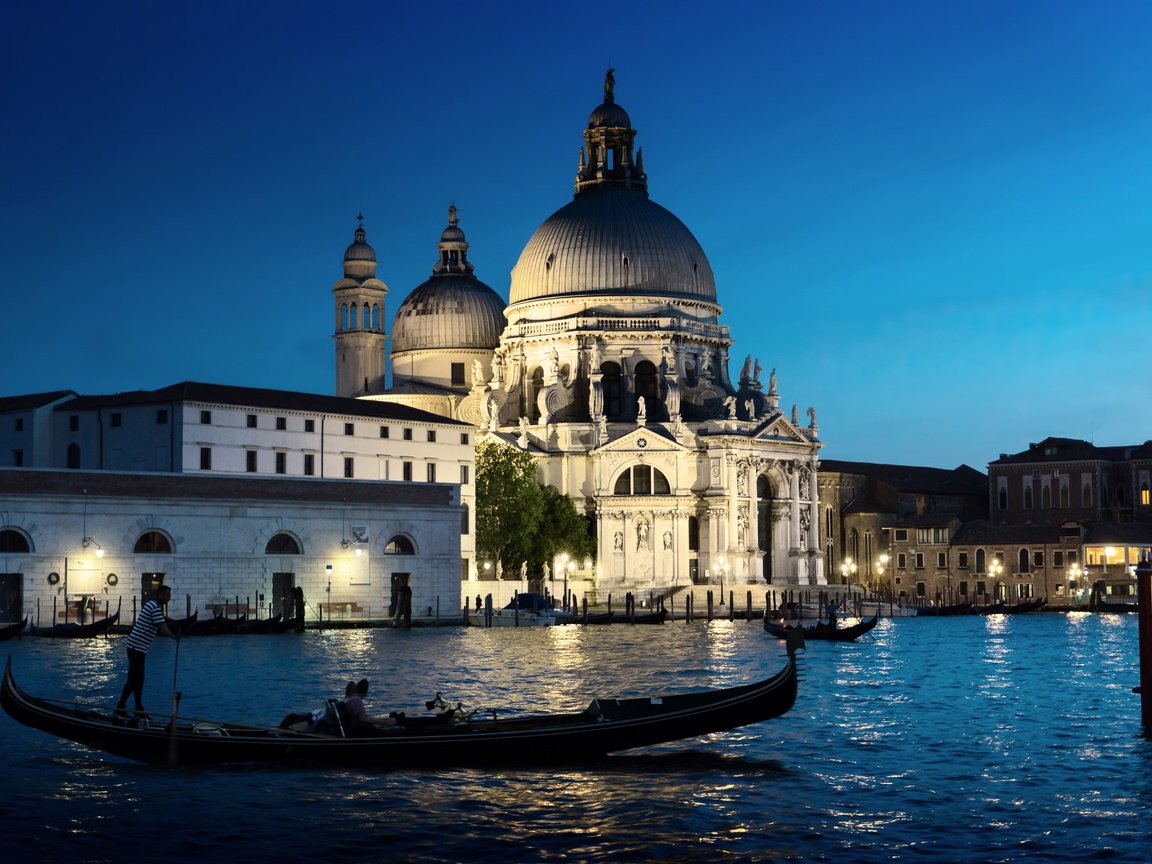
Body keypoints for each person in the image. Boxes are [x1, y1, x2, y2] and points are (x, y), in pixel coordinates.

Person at [115, 584, 176, 716]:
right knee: (133, 679)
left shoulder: (153, 605)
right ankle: (120, 707)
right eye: (167, 596)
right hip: (137, 647)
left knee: (139, 679)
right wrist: (175, 637)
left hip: (136, 647)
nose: (168, 599)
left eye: (169, 596)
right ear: (159, 594)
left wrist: (176, 622)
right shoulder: (155, 608)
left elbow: (162, 619)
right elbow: (163, 629)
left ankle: (138, 707)